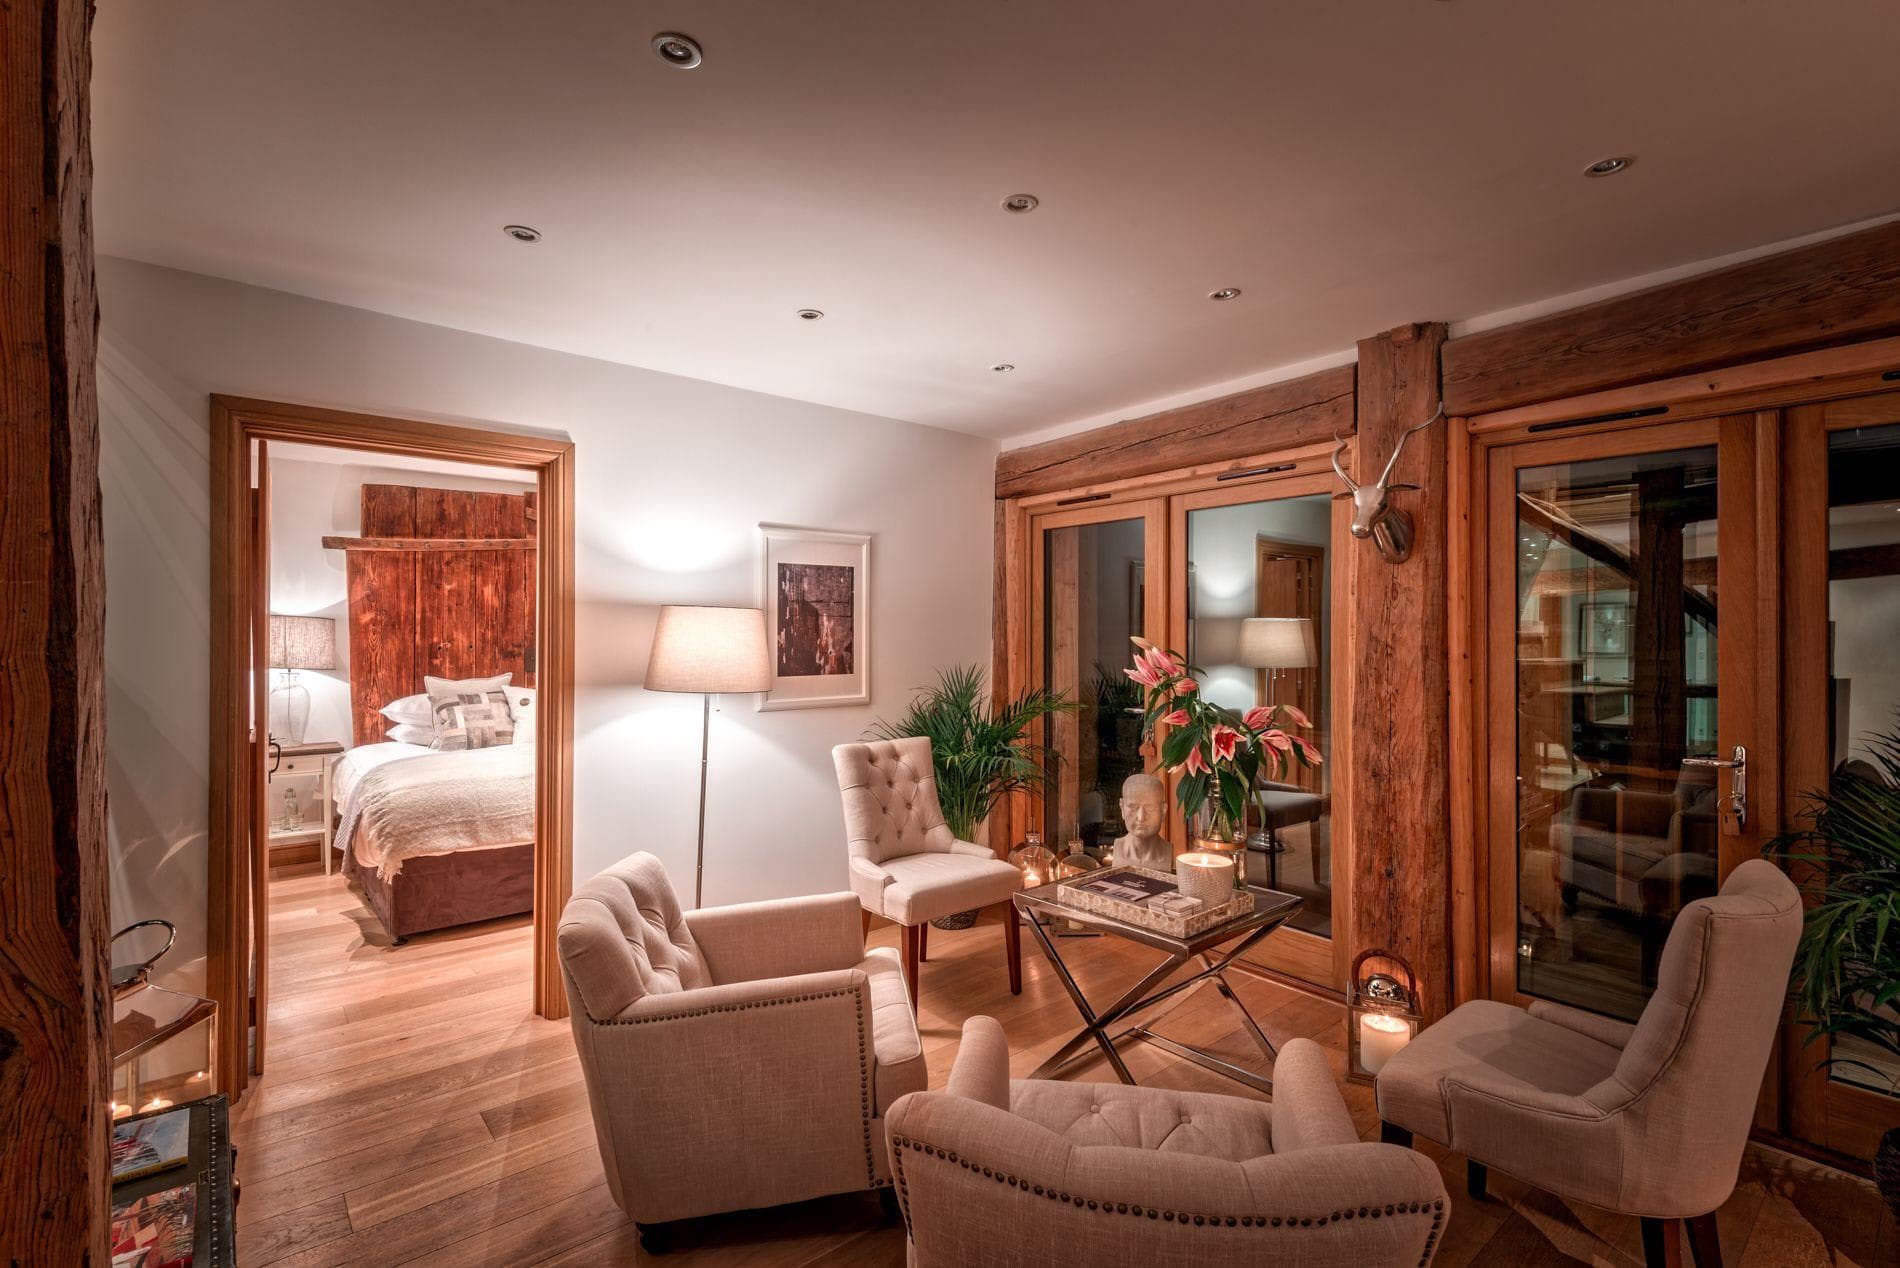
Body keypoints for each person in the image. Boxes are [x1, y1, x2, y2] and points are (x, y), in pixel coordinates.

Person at [1112, 773, 1172, 871]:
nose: (1141, 817)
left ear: (1163, 810)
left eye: (1150, 807)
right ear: (1122, 808)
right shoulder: (1118, 850)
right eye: (1133, 807)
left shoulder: (1171, 855)